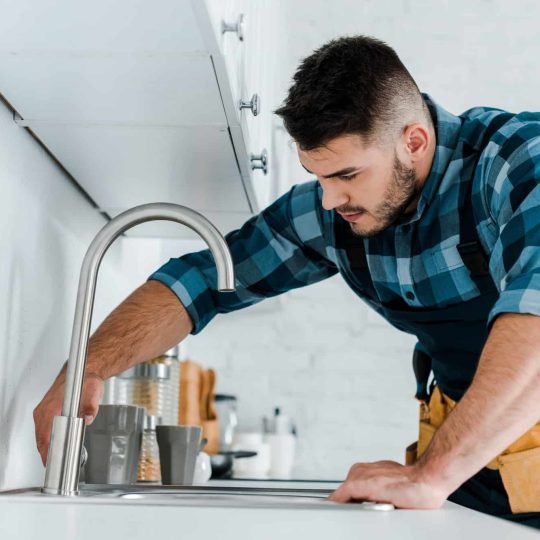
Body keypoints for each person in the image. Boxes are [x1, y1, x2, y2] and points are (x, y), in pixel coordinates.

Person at [34, 35, 540, 528]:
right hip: (469, 469)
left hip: (466, 462)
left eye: (346, 175)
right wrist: (88, 367)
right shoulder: (335, 214)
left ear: (414, 140)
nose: (328, 201)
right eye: (318, 178)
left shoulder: (516, 162)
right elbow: (202, 279)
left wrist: (431, 475)